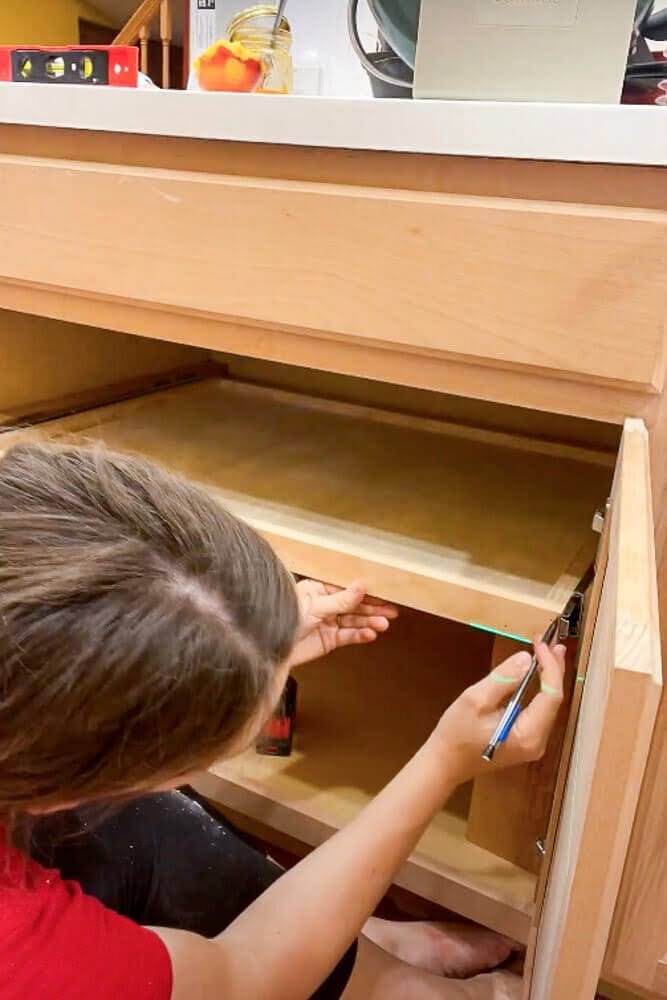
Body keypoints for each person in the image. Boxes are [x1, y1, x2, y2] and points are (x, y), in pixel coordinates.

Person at [0, 443, 566, 1000]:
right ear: (51, 786)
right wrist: (444, 763)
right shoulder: (27, 957)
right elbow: (244, 979)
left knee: (140, 822)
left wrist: (238, 643)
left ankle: (370, 950)